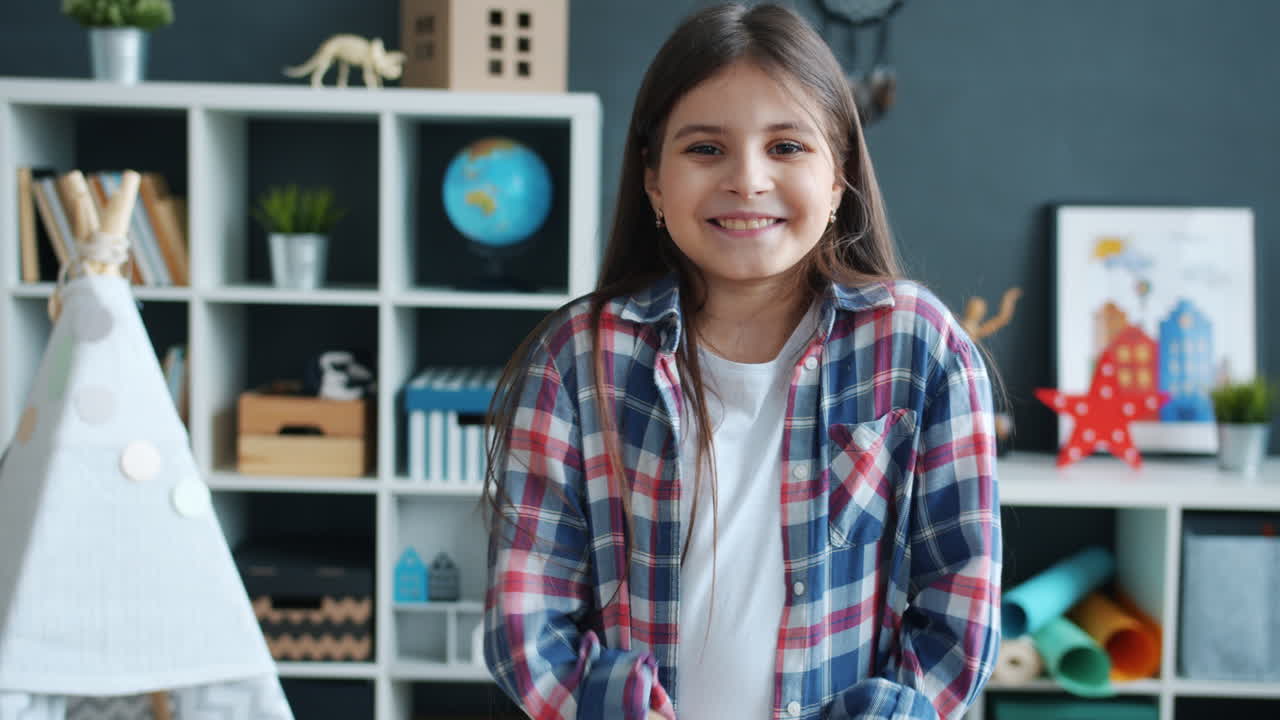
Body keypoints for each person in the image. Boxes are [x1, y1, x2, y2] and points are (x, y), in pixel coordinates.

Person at [481, 4, 1001, 720]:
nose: (748, 180)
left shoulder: (920, 347)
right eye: (704, 149)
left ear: (840, 174)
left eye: (786, 147)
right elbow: (526, 618)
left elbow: (961, 604)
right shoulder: (578, 359)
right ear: (654, 182)